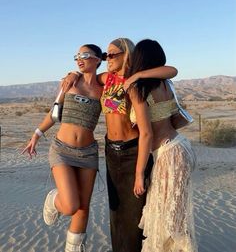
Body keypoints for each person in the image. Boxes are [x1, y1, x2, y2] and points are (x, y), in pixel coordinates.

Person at [63, 37, 178, 252]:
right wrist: (74, 74)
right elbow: (88, 74)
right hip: (111, 151)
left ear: (127, 55)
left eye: (113, 54)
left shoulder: (135, 84)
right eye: (106, 55)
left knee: (134, 214)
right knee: (116, 211)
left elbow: (171, 71)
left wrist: (139, 172)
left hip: (132, 152)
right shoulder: (107, 78)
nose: (108, 59)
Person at [22, 44, 103, 252]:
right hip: (62, 150)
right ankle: (53, 198)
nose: (79, 58)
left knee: (83, 209)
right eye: (77, 56)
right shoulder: (70, 82)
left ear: (97, 59)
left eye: (85, 55)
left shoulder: (103, 87)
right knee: (70, 206)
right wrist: (36, 135)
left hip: (88, 153)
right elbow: (54, 113)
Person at [125, 39, 198, 252]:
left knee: (169, 222)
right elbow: (171, 70)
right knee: (174, 217)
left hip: (168, 155)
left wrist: (139, 174)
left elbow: (146, 134)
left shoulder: (138, 89)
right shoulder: (166, 83)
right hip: (180, 147)